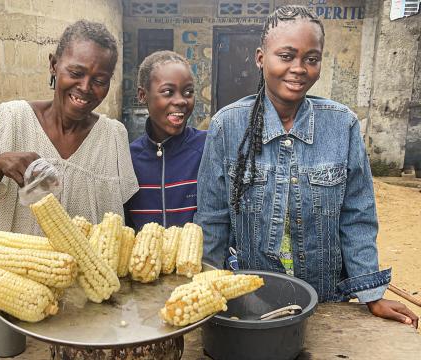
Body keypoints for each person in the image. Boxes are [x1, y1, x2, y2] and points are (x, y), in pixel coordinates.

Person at [195, 6, 418, 328]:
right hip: (253, 300)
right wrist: (204, 286)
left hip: (325, 300)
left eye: (311, 59)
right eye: (286, 56)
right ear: (261, 58)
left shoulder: (342, 126)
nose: (298, 68)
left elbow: (357, 216)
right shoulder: (227, 126)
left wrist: (371, 291)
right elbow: (212, 218)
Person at [0, 20, 138, 316]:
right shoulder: (14, 118)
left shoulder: (114, 135)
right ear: (54, 65)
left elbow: (122, 223)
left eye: (99, 80)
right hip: (11, 305)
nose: (85, 88)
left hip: (86, 310)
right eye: (76, 73)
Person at [125, 51, 207, 231]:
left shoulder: (207, 149)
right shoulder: (128, 160)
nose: (180, 101)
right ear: (142, 95)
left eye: (188, 92)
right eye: (168, 92)